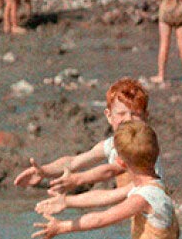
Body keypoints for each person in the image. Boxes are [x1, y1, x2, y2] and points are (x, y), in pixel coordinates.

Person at [32, 120, 182, 239]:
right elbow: (102, 196)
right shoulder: (143, 186)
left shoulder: (145, 197)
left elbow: (102, 218)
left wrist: (62, 227)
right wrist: (68, 200)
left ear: (120, 162)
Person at [14, 78, 148, 196]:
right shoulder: (111, 144)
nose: (129, 120)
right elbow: (73, 162)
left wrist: (78, 179)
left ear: (146, 116)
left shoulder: (143, 144)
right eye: (121, 114)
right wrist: (45, 171)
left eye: (135, 114)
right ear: (108, 116)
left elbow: (111, 170)